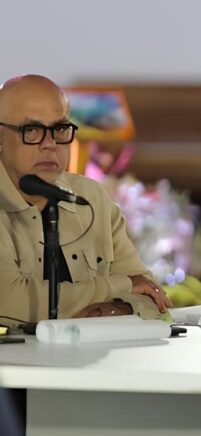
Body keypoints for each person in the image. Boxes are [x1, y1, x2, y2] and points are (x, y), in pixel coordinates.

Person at [0, 75, 172, 323]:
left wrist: (110, 310)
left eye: (59, 129)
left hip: (95, 357)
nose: (50, 144)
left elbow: (151, 294)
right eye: (33, 130)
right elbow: (8, 300)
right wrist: (117, 288)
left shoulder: (91, 198)